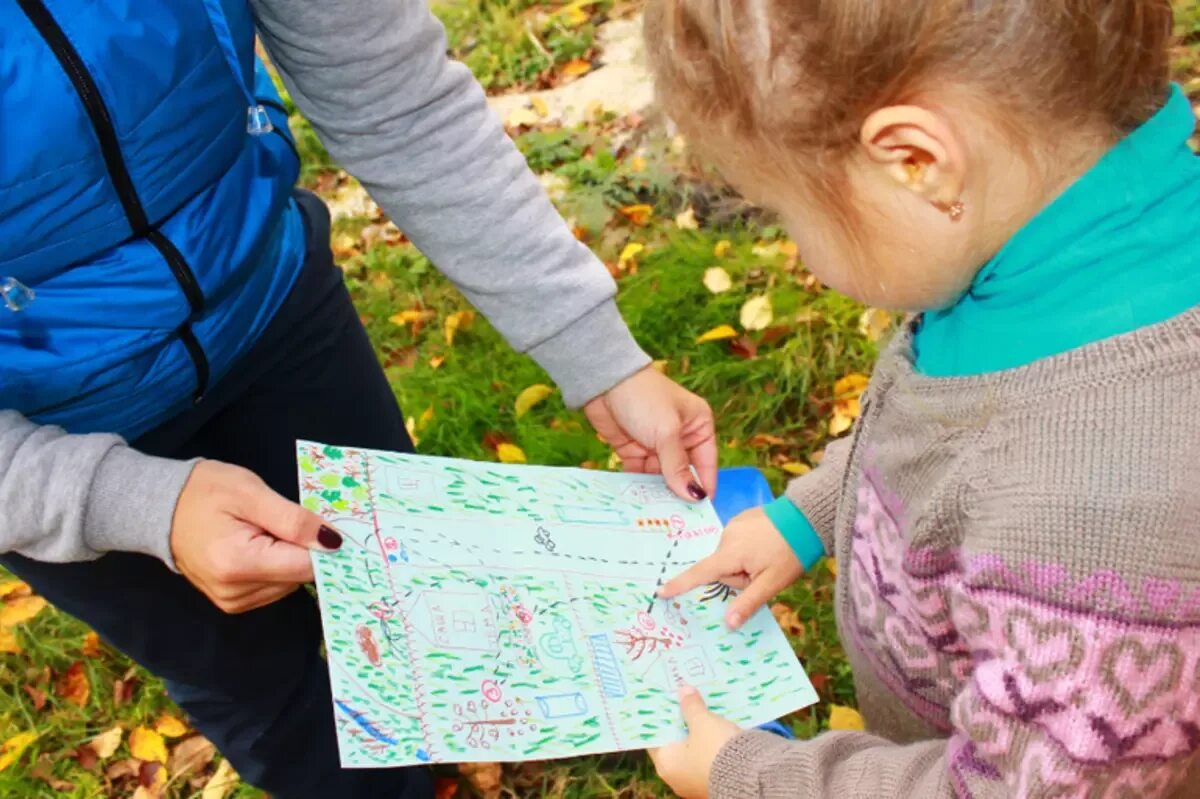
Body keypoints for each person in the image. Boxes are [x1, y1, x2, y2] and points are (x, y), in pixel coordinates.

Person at [0, 1, 716, 797]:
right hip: (45, 426)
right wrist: (129, 504)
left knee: (407, 593)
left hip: (270, 297)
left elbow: (395, 99)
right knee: (258, 686)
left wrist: (599, 356)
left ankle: (437, 753)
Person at [642, 0, 1200, 796]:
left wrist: (753, 776)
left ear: (914, 160)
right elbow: (931, 432)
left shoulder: (1106, 511)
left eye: (786, 212)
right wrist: (810, 516)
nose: (799, 247)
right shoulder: (1037, 241)